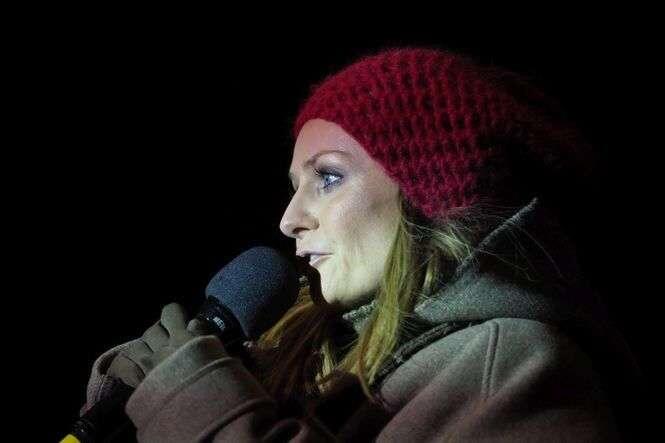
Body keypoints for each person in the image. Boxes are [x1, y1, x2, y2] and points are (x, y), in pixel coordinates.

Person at [79, 46, 644, 441]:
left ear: (429, 189)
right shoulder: (292, 344)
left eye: (328, 177)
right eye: (295, 187)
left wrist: (202, 409)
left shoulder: (517, 366)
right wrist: (139, 397)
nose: (289, 220)